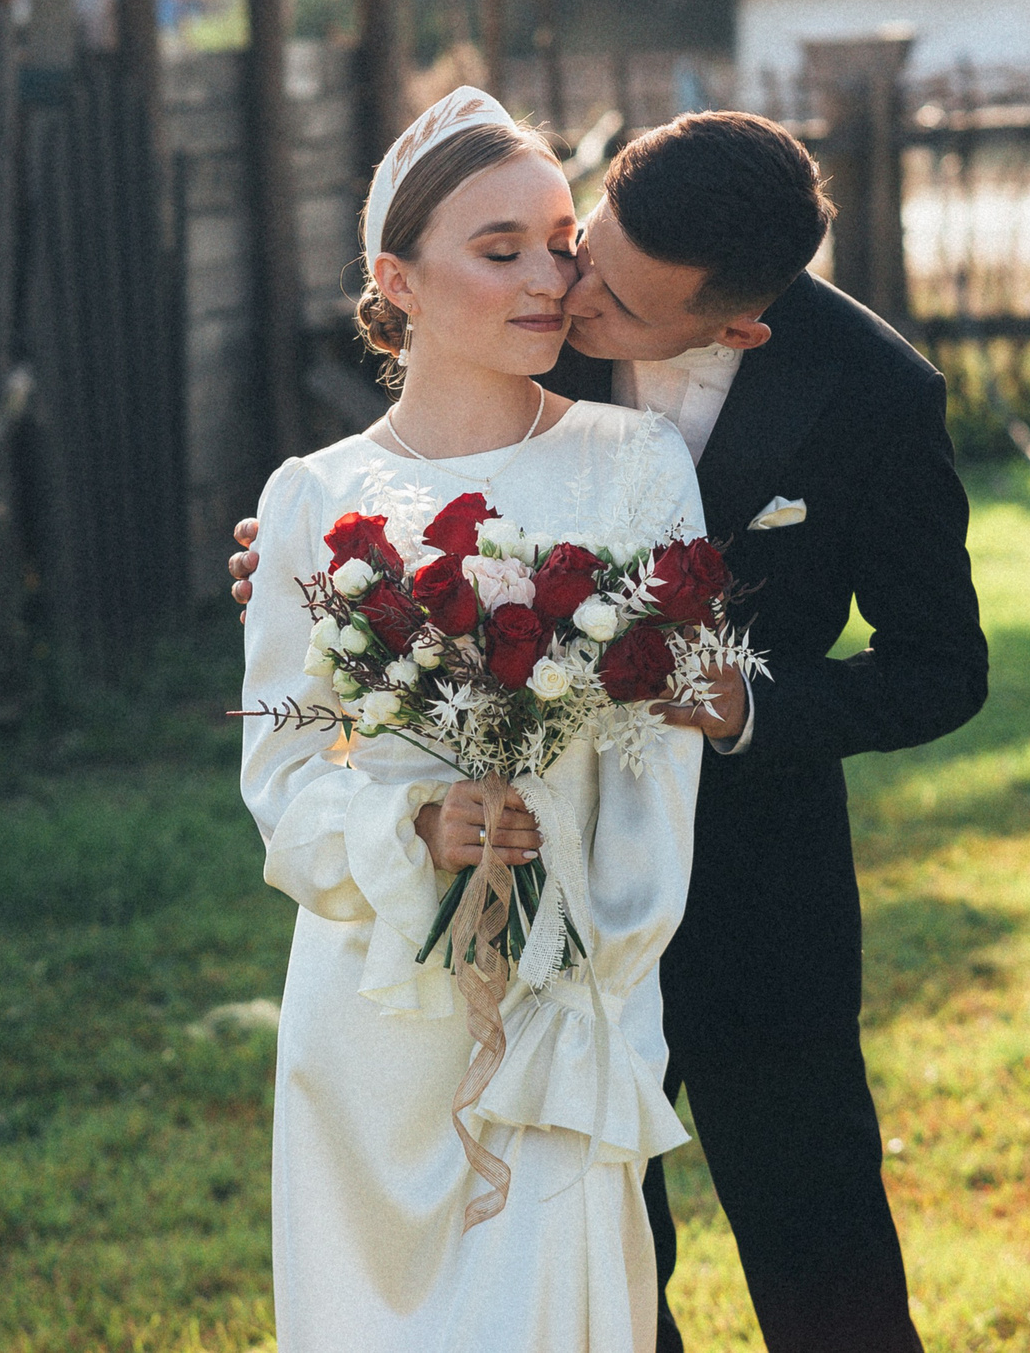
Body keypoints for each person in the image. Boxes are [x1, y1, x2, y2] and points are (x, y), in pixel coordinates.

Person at [234, 109, 988, 1352]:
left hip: (750, 879)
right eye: (580, 246)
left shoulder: (873, 392)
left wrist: (749, 707)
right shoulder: (540, 302)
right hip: (514, 899)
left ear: (736, 323)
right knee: (588, 1257)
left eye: (611, 296)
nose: (568, 295)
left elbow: (940, 670)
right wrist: (322, 569)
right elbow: (426, 470)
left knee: (819, 1245)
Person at [240, 87, 742, 1351]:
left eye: (561, 241)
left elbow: (656, 771)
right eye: (499, 248)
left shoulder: (636, 463)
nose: (546, 280)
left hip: (564, 996)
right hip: (371, 1010)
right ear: (394, 280)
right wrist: (415, 823)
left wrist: (588, 964)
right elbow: (282, 777)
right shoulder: (311, 496)